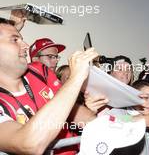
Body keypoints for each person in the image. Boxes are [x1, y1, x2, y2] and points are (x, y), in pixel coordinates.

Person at [0, 17, 99, 154]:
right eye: (15, 39)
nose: (25, 45)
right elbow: (29, 144)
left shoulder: (39, 71)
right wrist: (75, 78)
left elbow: (79, 114)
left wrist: (125, 122)